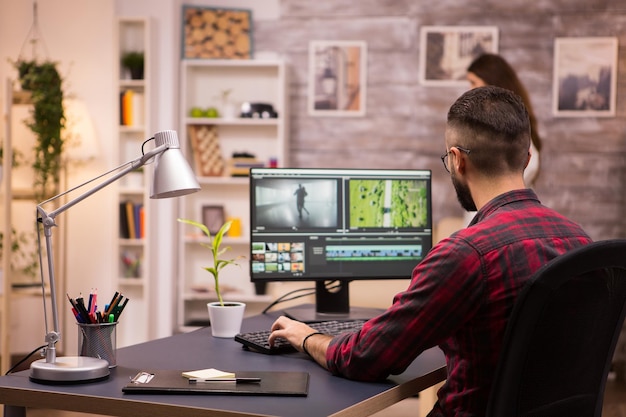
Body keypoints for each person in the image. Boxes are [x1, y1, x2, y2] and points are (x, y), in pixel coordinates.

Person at [269, 86, 592, 417]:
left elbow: (366, 357)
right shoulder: (580, 242)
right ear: (526, 159)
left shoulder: (465, 255)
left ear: (457, 160)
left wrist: (306, 336)